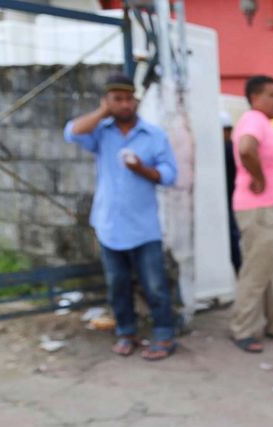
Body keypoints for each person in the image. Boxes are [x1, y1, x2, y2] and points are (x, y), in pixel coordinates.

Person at [64, 72, 178, 361]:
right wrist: (104, 111)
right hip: (109, 225)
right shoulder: (101, 132)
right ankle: (126, 333)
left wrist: (142, 169)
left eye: (129, 99)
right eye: (117, 99)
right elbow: (72, 132)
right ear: (107, 101)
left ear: (136, 101)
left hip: (144, 226)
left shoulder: (154, 135)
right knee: (118, 284)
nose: (125, 104)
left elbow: (169, 174)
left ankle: (164, 334)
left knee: (154, 284)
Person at [230, 75, 273, 353]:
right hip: (262, 211)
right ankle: (243, 329)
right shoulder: (253, 119)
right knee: (257, 271)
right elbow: (246, 149)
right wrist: (258, 178)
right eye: (271, 95)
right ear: (255, 97)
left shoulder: (261, 123)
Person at [221, 110, 242, 274]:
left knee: (232, 238)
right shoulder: (231, 148)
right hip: (230, 201)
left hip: (229, 201)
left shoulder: (227, 150)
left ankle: (239, 270)